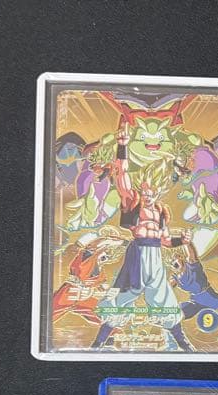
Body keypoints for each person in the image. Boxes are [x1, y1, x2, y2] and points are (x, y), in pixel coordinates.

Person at [91, 122, 194, 350]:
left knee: (164, 298)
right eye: (145, 190)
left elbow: (166, 240)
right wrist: (122, 146)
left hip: (155, 257)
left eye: (151, 191)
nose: (147, 194)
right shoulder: (133, 202)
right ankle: (98, 342)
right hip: (137, 255)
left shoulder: (162, 212)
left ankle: (183, 342)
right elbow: (122, 176)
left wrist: (182, 240)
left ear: (158, 191)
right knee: (122, 296)